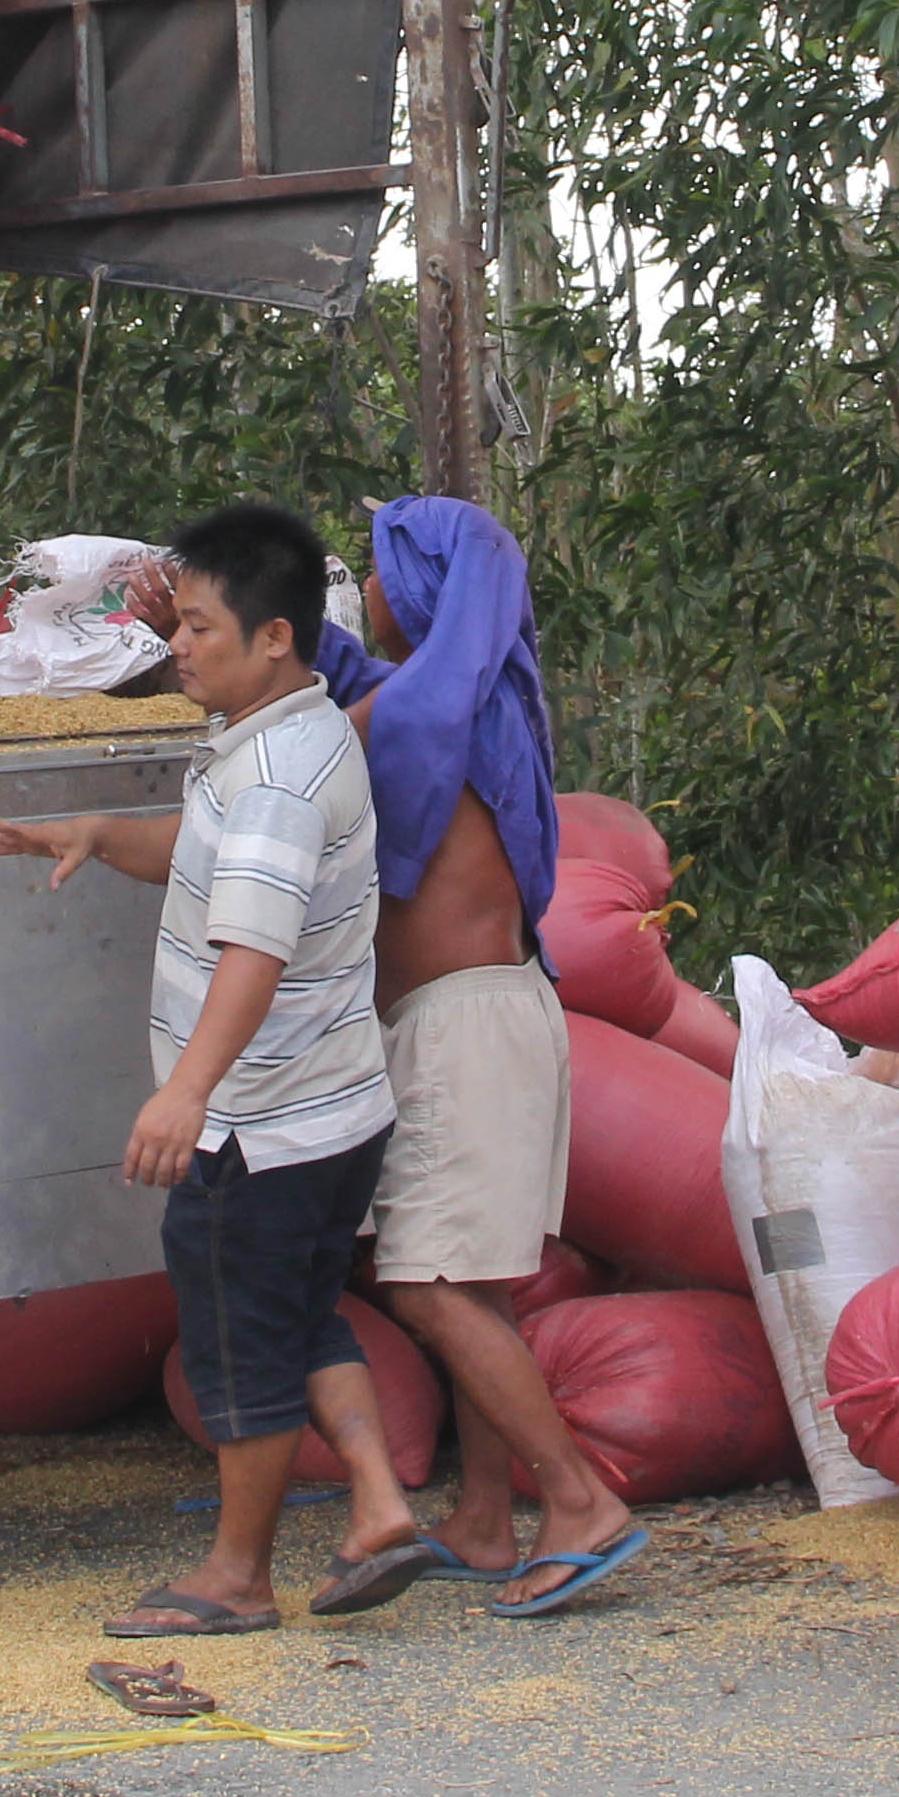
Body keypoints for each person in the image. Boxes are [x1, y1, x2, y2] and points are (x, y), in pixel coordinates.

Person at [0, 502, 439, 1637]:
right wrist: (96, 831)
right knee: (293, 1312)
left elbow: (256, 945)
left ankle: (236, 1577)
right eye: (176, 624)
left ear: (275, 637)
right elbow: (207, 857)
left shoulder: (276, 778)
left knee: (238, 1340)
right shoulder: (293, 735)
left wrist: (188, 1092)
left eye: (197, 627)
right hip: (332, 1110)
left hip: (262, 1124)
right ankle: (380, 1505)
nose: (176, 646)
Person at [309, 497, 648, 1616]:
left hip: (465, 1026)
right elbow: (364, 684)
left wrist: (252, 651)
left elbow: (335, 725)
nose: (360, 593)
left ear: (417, 593)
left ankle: (580, 1501)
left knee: (431, 1282)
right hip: (476, 1018)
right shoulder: (465, 699)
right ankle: (488, 1521)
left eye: (372, 573)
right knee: (477, 1288)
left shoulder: (415, 718)